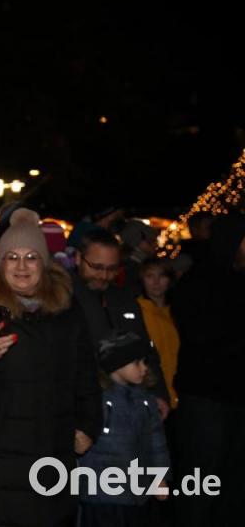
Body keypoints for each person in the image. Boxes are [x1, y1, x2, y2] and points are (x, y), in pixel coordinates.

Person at [0, 208, 102, 527]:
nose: (21, 266)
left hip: (53, 448)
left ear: (44, 263)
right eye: (12, 257)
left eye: (31, 256)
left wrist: (88, 424)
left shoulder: (66, 309)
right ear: (0, 261)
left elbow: (85, 372)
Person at [170, 213, 245, 526]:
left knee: (234, 484)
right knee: (202, 482)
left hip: (237, 400)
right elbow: (201, 337)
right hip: (207, 400)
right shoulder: (199, 283)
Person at [72, 228, 171, 418]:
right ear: (78, 258)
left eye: (111, 269)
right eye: (96, 267)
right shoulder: (64, 299)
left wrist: (158, 393)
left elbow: (146, 349)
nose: (103, 275)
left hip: (129, 403)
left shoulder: (123, 297)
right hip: (85, 405)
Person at [78, 333, 170, 527]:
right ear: (116, 365)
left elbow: (157, 442)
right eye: (137, 362)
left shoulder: (145, 399)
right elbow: (84, 446)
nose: (144, 368)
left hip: (138, 493)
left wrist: (159, 477)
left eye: (145, 361)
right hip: (103, 496)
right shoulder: (97, 400)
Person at [136, 257, 179, 410]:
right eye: (150, 276)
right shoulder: (137, 312)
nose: (156, 282)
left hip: (178, 391)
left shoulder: (177, 313)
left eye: (161, 276)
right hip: (151, 392)